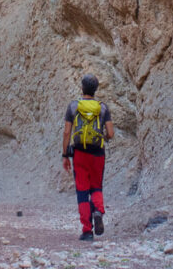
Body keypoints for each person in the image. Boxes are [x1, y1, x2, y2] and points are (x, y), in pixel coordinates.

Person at [62, 73, 114, 241]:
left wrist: (65, 155)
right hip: (98, 153)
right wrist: (103, 138)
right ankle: (98, 211)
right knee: (96, 187)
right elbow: (111, 133)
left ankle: (87, 230)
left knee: (83, 191)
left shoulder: (73, 106)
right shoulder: (103, 108)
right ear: (96, 89)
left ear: (82, 88)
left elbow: (67, 132)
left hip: (79, 153)